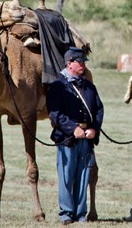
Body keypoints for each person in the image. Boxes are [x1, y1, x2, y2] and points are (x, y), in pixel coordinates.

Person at [46, 47, 104, 225]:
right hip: (67, 139)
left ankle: (80, 214)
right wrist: (73, 129)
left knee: (83, 177)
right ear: (69, 63)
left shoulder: (89, 86)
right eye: (80, 62)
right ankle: (66, 213)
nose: (83, 65)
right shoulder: (57, 86)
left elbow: (99, 109)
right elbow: (55, 114)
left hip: (86, 138)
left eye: (84, 62)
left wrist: (94, 128)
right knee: (66, 177)